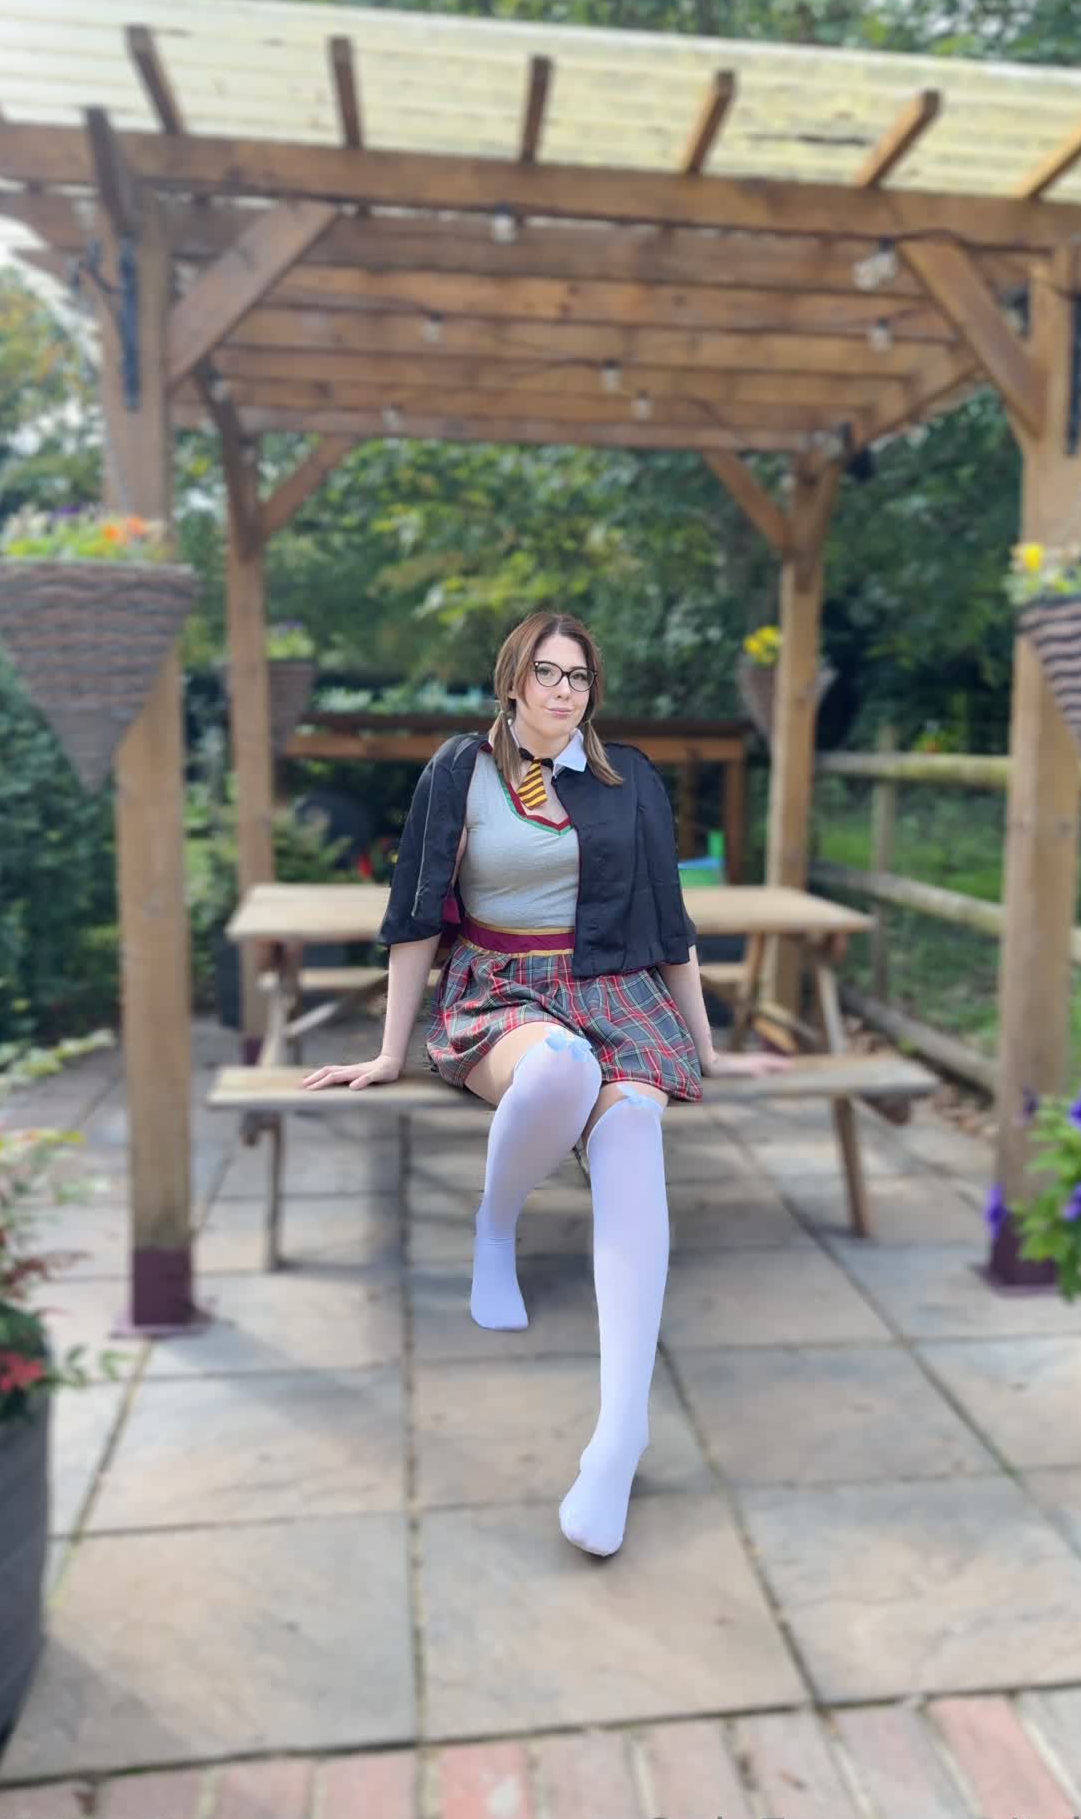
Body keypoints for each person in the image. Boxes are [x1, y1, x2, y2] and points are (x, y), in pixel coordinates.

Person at [301, 610, 790, 1557]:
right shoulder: (461, 771)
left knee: (632, 1128)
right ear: (512, 681)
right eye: (547, 673)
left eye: (579, 677)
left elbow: (669, 921)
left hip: (616, 989)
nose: (565, 691)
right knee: (561, 1070)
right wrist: (390, 1050)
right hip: (500, 987)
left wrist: (708, 1046)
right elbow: (415, 913)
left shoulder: (625, 778)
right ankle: (495, 1228)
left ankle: (619, 1435)